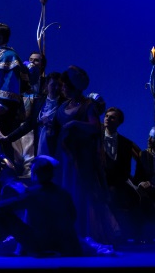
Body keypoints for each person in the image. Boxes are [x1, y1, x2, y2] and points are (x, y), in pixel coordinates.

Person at [0, 155, 82, 257]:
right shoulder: (63, 193)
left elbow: (2, 207)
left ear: (36, 173)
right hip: (65, 244)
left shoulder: (33, 193)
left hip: (41, 245)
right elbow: (73, 216)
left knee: (2, 216)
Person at [53, 65, 118, 244]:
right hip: (65, 155)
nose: (62, 88)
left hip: (81, 157)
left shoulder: (87, 106)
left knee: (80, 191)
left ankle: (84, 231)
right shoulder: (63, 105)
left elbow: (95, 128)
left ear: (74, 86)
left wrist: (75, 124)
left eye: (65, 85)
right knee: (65, 189)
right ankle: (66, 232)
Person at [102, 107, 140, 236]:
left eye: (112, 117)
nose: (108, 119)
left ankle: (132, 233)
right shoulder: (96, 139)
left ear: (119, 122)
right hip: (99, 181)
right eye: (106, 116)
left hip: (118, 182)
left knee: (136, 197)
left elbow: (126, 168)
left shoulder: (126, 143)